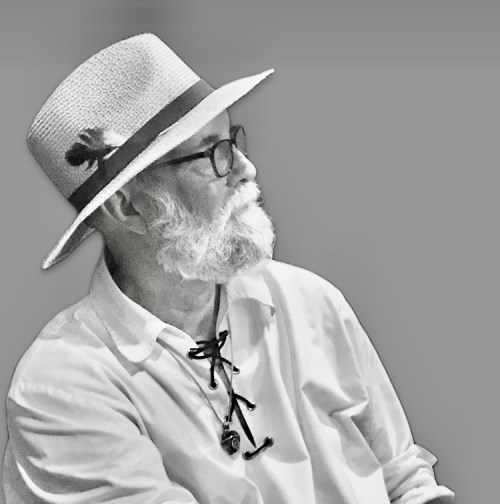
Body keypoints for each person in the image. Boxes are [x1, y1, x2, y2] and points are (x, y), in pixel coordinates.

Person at [2, 34, 454, 504]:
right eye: (211, 152)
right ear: (128, 207)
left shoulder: (308, 301)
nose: (245, 168)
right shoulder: (63, 385)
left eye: (233, 140)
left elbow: (404, 480)